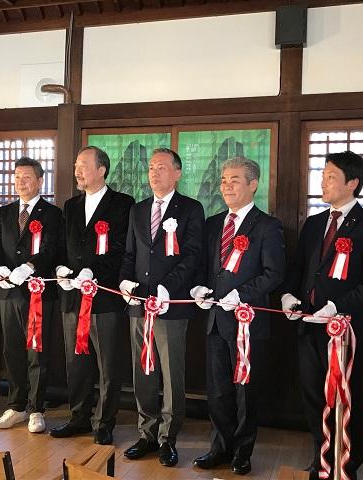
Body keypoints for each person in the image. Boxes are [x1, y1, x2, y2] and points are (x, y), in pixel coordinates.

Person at [282, 151, 363, 480]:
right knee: (313, 396)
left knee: (345, 397)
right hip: (309, 326)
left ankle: (347, 465)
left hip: (345, 332)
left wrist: (337, 307)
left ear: (352, 183)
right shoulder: (315, 223)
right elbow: (299, 267)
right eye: (323, 175)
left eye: (331, 177)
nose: (323, 182)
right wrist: (289, 295)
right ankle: (322, 459)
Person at [191, 157, 285, 475]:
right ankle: (220, 447)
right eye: (223, 180)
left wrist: (241, 295)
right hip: (215, 321)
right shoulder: (213, 223)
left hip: (247, 322)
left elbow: (274, 273)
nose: (226, 186)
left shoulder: (267, 226)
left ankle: (243, 452)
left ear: (253, 184)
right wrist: (199, 289)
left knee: (245, 390)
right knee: (217, 390)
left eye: (234, 180)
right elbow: (206, 267)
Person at [119, 148, 204, 467]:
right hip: (139, 305)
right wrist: (124, 281)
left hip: (171, 305)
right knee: (142, 370)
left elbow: (192, 255)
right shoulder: (138, 209)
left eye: (162, 167)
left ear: (177, 173)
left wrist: (169, 287)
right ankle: (147, 433)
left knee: (171, 373)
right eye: (151, 167)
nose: (154, 173)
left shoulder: (191, 209)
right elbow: (130, 253)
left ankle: (169, 437)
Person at [51, 146, 134, 445]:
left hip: (105, 297)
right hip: (73, 297)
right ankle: (79, 417)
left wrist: (93, 271)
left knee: (108, 364)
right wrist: (61, 269)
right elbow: (62, 245)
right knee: (76, 362)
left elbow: (121, 249)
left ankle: (105, 421)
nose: (77, 170)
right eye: (76, 164)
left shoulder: (122, 204)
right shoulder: (71, 205)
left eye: (84, 165)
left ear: (101, 170)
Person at [0, 157, 61, 433]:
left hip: (37, 293)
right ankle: (16, 406)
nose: (21, 182)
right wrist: (0, 269)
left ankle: (36, 408)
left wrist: (30, 266)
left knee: (36, 353)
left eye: (27, 177)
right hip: (8, 292)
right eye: (17, 176)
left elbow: (51, 248)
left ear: (40, 181)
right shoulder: (4, 212)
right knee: (12, 350)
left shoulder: (52, 214)